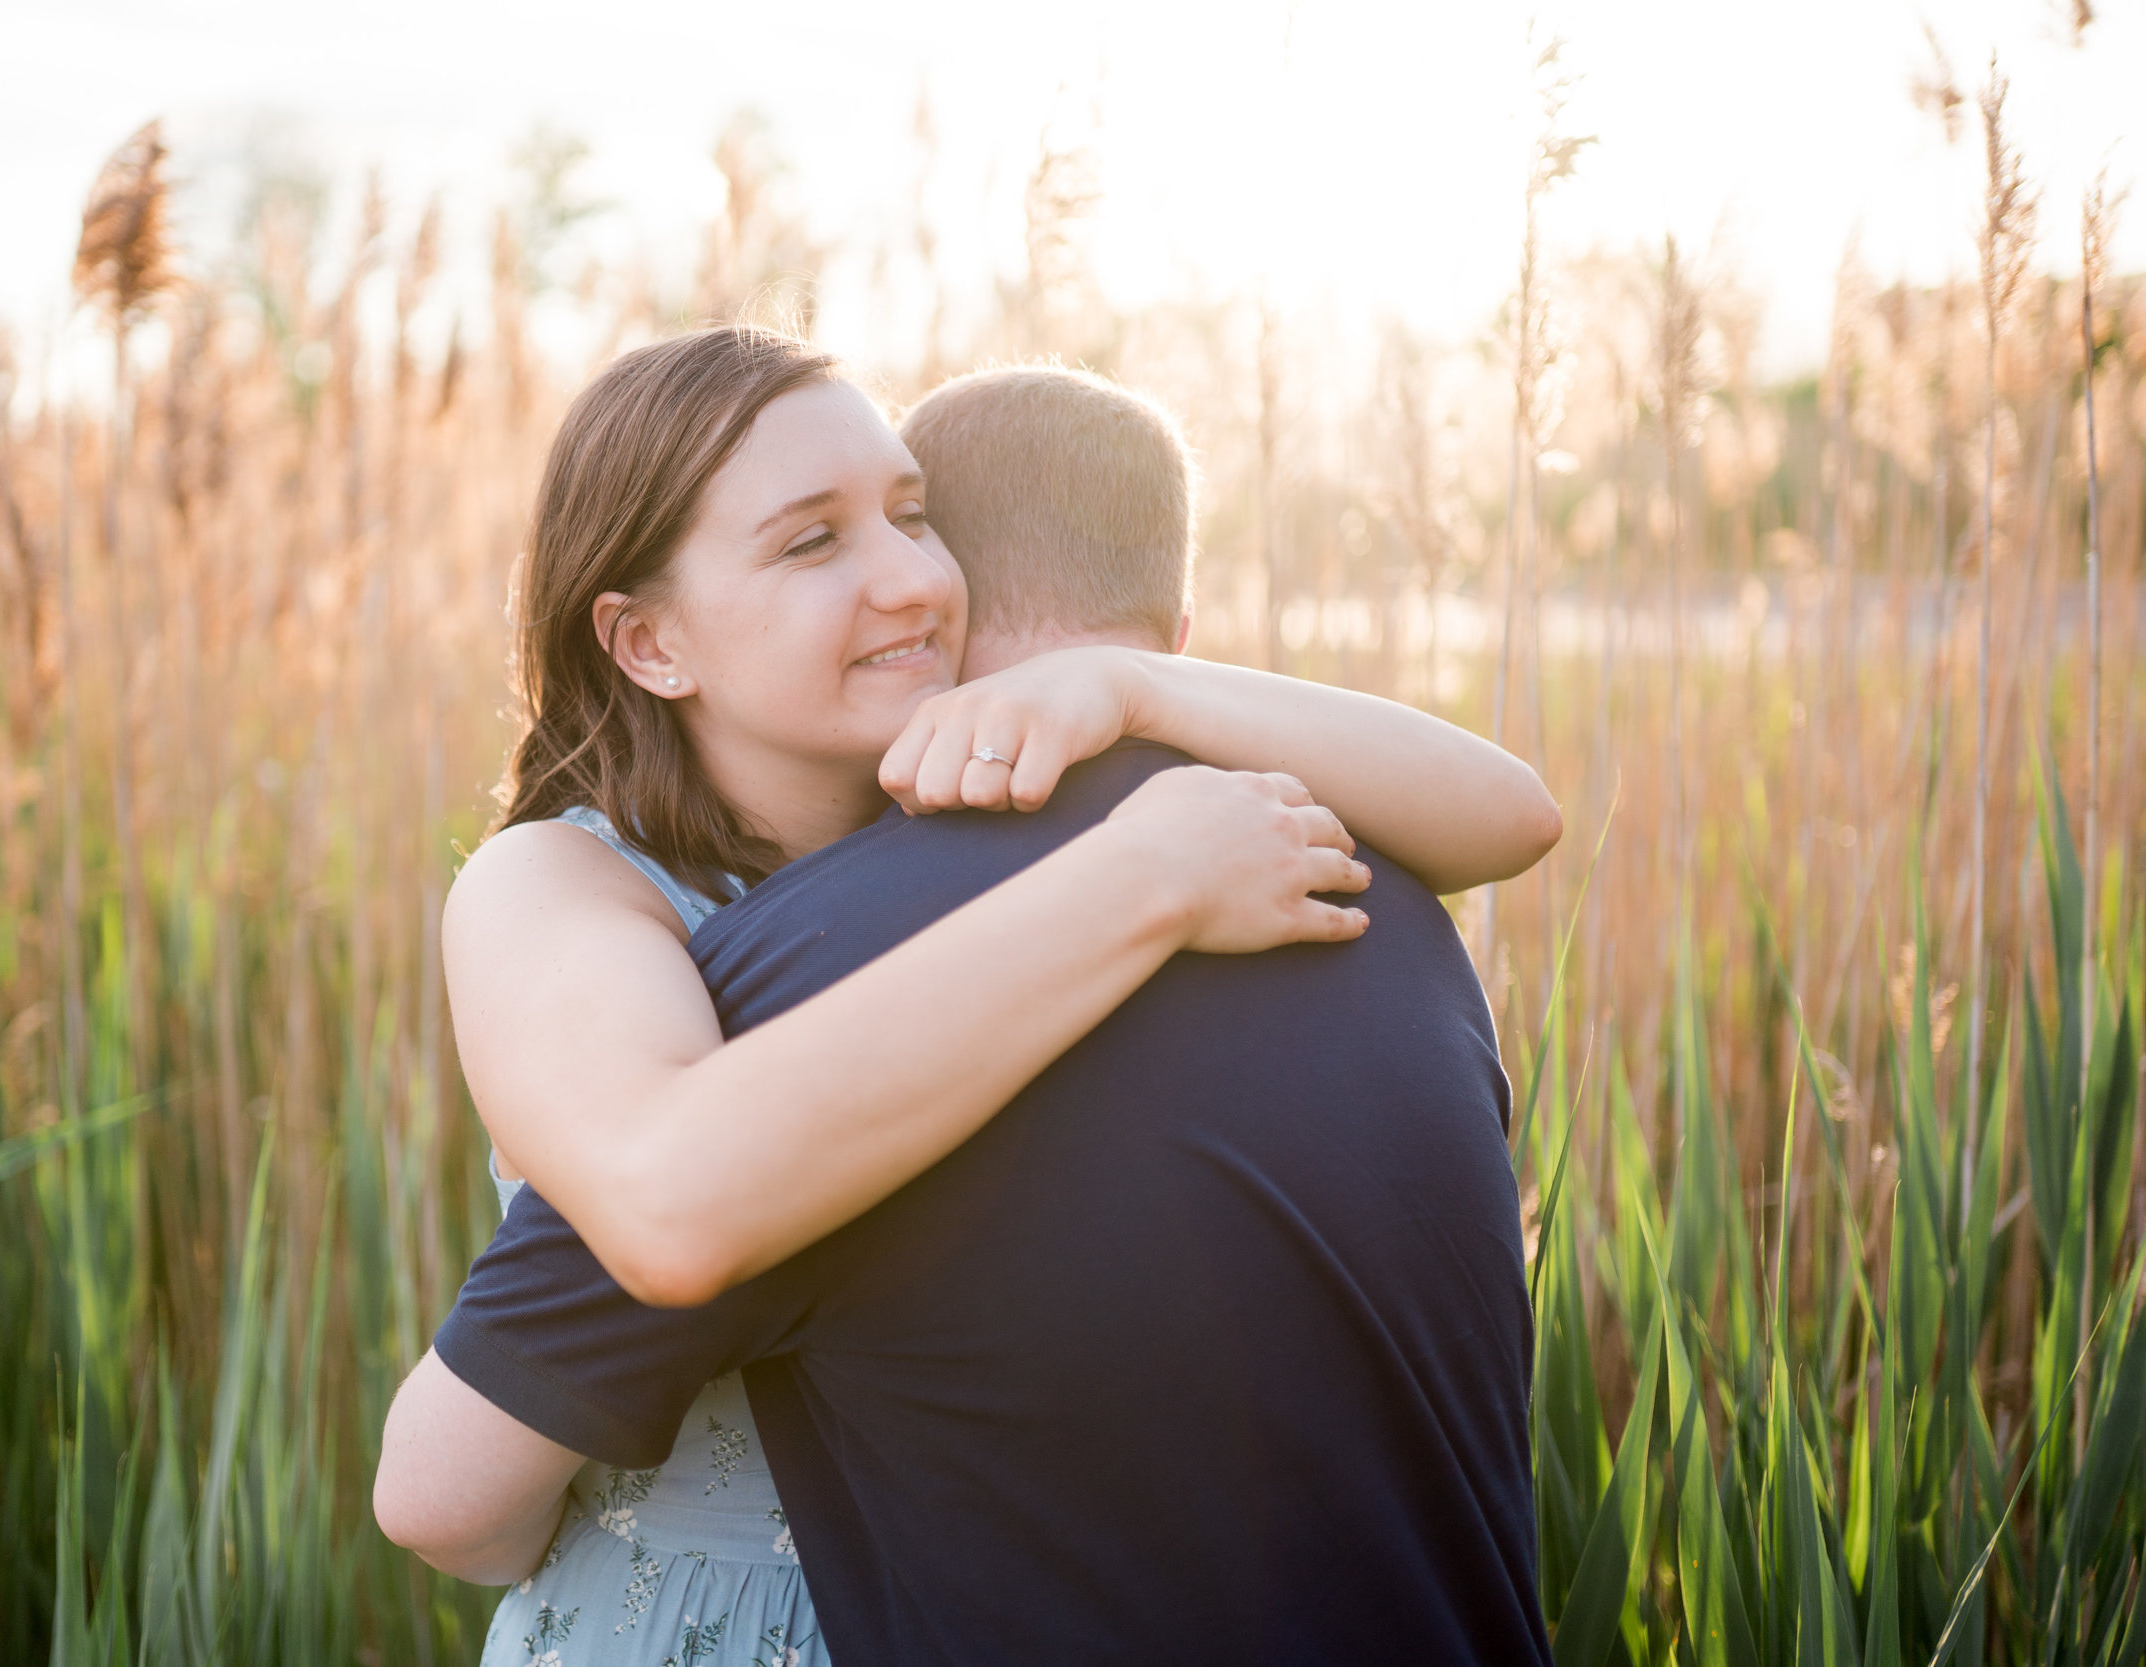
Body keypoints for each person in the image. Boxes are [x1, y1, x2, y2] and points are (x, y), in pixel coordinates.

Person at [374, 337, 1561, 1665]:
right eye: (809, 544)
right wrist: (1146, 879)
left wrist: (1136, 685)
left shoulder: (939, 844)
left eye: (913, 513)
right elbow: (666, 1205)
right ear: (648, 642)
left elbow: (1512, 813)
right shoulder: (560, 886)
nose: (914, 581)